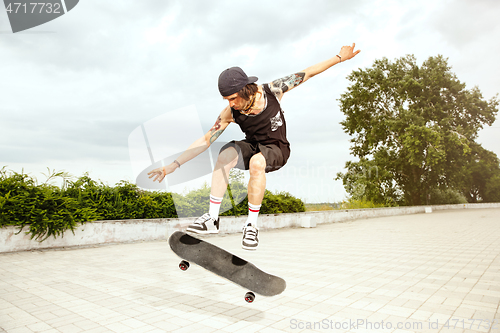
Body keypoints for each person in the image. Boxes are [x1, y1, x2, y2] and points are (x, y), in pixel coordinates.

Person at [148, 43, 361, 250]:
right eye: (226, 99)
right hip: (253, 146)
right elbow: (206, 140)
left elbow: (308, 73)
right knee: (225, 154)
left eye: (232, 98)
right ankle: (212, 218)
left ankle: (251, 226)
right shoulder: (230, 113)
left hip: (277, 149)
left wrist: (340, 58)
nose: (230, 104)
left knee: (258, 162)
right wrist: (174, 165)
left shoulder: (273, 90)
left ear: (245, 90)